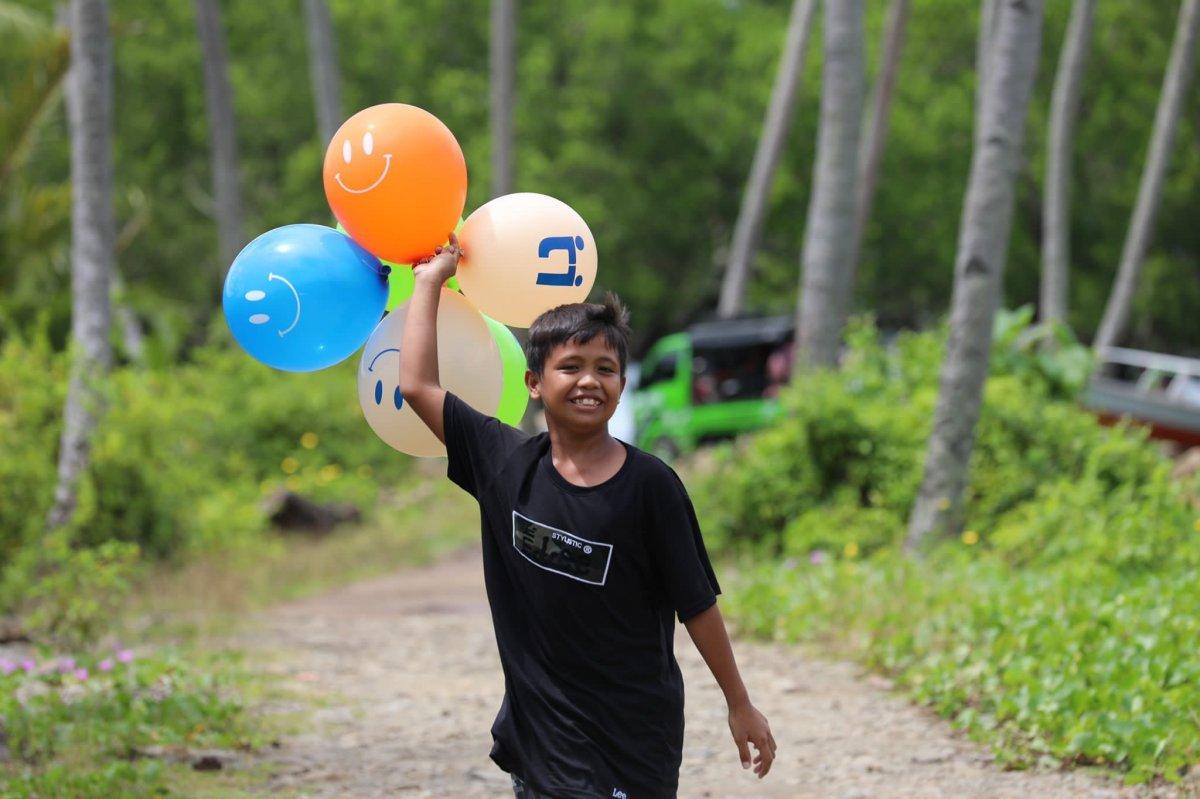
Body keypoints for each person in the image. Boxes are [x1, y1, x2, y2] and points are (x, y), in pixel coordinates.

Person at [399, 234, 776, 799]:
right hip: (542, 737)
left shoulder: (651, 486)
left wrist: (739, 702)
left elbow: (696, 603)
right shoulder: (503, 462)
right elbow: (416, 385)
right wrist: (430, 282)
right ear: (533, 384)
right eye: (569, 366)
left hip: (633, 734)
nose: (589, 381)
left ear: (623, 386)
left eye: (606, 368)